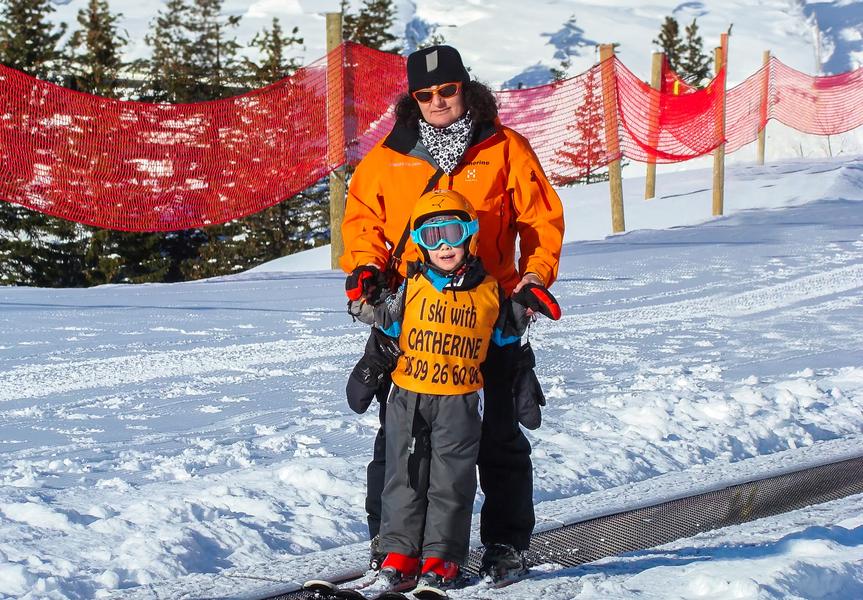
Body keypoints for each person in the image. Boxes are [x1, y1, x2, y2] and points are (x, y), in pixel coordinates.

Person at [340, 44, 564, 580]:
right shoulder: (386, 156)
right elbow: (362, 225)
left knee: (499, 435)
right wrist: (367, 273)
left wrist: (533, 280)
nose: (438, 101)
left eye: (447, 89)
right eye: (425, 94)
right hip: (412, 319)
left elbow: (540, 222)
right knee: (400, 439)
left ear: (466, 87)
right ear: (412, 100)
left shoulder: (506, 149)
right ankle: (388, 543)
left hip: (490, 316)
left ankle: (507, 545)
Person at [345, 190, 561, 592]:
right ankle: (399, 554)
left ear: (471, 234)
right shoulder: (411, 287)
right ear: (419, 243)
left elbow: (505, 333)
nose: (444, 245)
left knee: (452, 483)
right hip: (408, 399)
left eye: (453, 232)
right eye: (432, 236)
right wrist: (361, 293)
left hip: (460, 404)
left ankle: (443, 559)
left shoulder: (488, 291)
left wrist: (527, 306)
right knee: (404, 478)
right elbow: (383, 320)